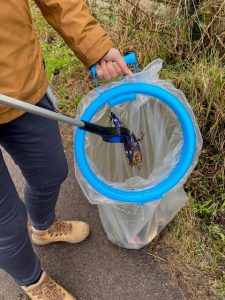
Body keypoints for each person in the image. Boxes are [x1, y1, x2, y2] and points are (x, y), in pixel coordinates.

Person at [0, 1, 131, 299]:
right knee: (5, 223)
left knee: (51, 173)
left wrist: (95, 46)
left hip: (21, 87)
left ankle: (43, 228)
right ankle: (33, 281)